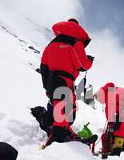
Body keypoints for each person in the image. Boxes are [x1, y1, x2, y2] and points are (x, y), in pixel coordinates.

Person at [39, 18, 95, 146]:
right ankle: (56, 140)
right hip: (65, 80)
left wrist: (47, 86)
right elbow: (83, 65)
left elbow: (43, 66)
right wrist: (90, 61)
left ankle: (65, 134)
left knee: (62, 110)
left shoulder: (51, 44)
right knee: (65, 112)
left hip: (52, 79)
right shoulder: (76, 43)